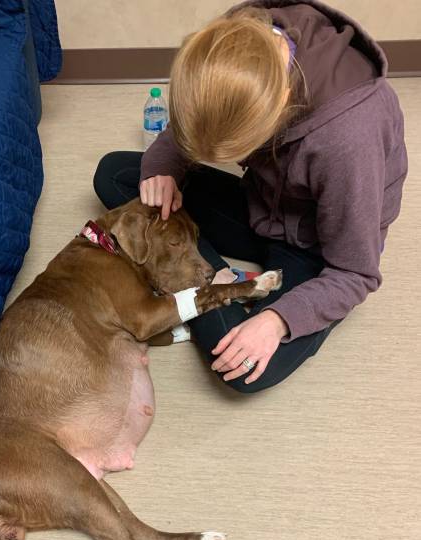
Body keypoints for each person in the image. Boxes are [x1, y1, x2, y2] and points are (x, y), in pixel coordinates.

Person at [93, 0, 407, 392]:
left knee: (241, 368)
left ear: (278, 107)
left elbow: (355, 272)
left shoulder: (348, 139)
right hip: (262, 202)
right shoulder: (235, 39)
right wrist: (164, 166)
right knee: (117, 174)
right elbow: (194, 121)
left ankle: (194, 283)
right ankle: (208, 278)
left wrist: (277, 321)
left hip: (316, 247)